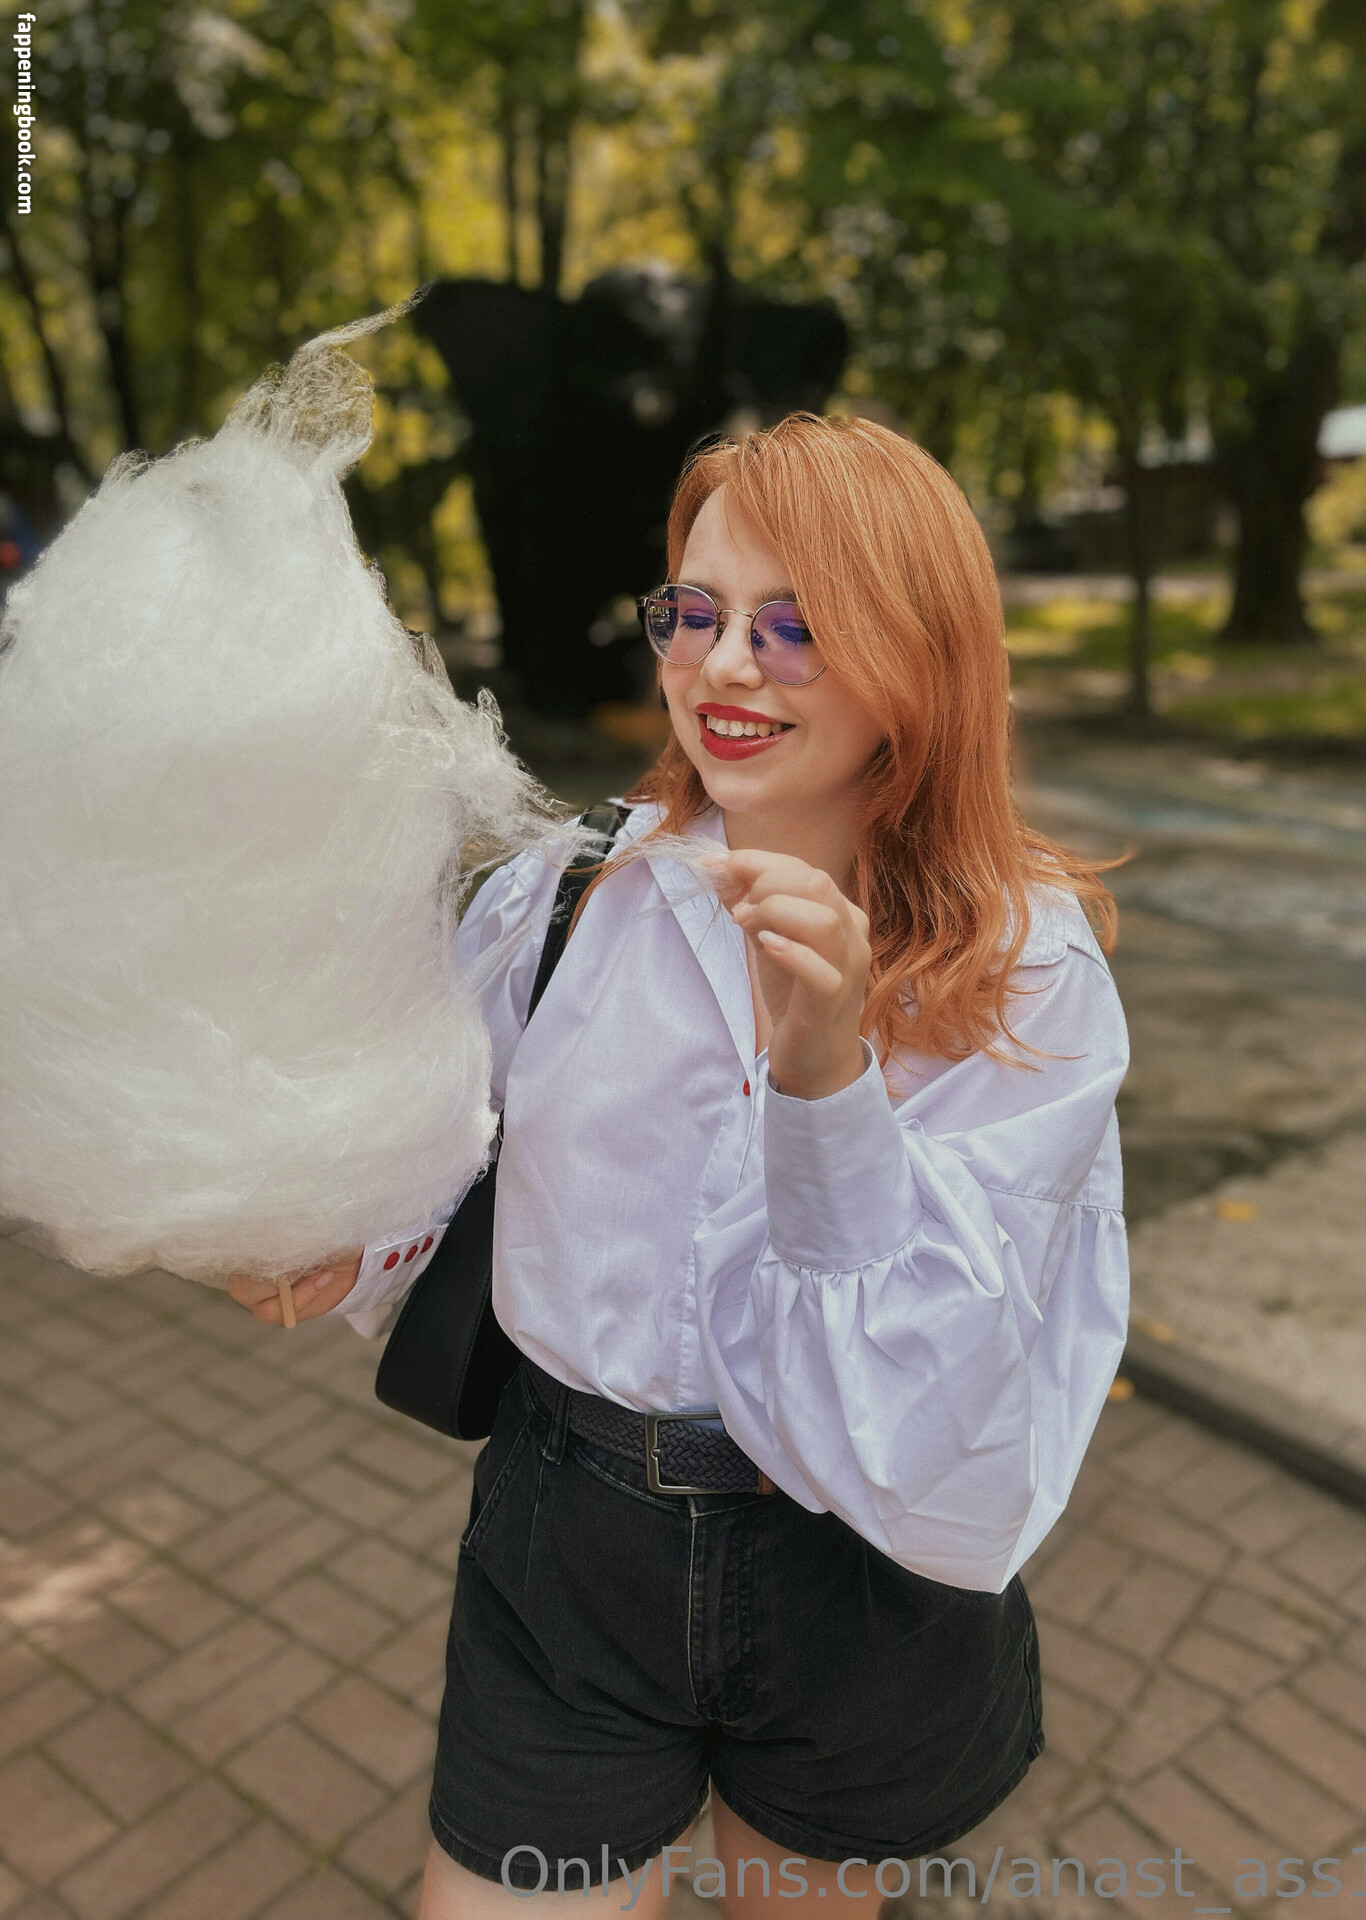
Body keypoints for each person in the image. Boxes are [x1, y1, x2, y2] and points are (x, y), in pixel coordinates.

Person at [229, 414, 1129, 1920]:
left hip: (860, 1566)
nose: (723, 667)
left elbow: (932, 1371)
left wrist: (826, 1075)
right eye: (695, 613)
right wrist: (341, 1240)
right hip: (571, 1535)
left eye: (796, 626)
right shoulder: (573, 889)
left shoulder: (1027, 965)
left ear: (919, 657)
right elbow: (456, 1159)